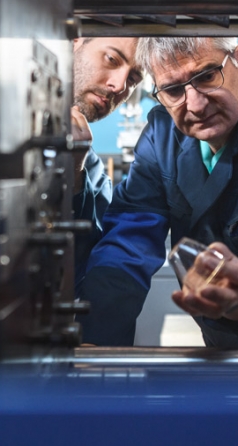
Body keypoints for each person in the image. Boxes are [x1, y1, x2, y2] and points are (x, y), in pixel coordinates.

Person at [76, 37, 238, 348]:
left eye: (207, 76)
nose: (195, 104)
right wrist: (94, 343)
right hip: (220, 346)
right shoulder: (162, 135)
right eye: (173, 90)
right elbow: (126, 245)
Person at [70, 37, 143, 292]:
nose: (119, 85)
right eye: (112, 59)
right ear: (74, 41)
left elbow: (80, 273)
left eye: (133, 79)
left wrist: (74, 176)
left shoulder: (94, 178)